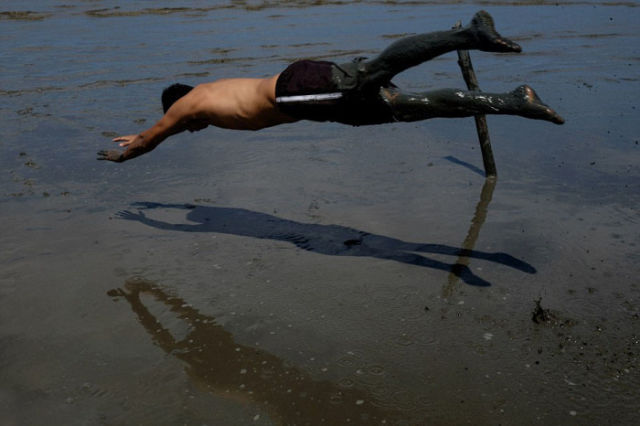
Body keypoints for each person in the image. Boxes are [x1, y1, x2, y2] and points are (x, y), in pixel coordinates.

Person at [98, 10, 564, 163]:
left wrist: (130, 150)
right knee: (407, 106)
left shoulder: (192, 102)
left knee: (376, 71)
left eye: (184, 120)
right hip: (311, 101)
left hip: (298, 89)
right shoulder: (203, 101)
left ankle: (470, 35)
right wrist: (145, 134)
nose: (191, 128)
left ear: (179, 103)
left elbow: (161, 132)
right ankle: (513, 100)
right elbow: (175, 129)